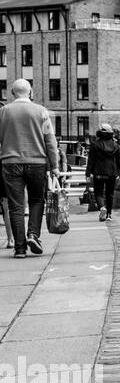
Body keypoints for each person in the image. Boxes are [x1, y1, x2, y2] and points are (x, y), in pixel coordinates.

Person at [0, 78, 59, 258]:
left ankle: (19, 248)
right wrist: (54, 165)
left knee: (15, 206)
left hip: (10, 163)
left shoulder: (3, 112)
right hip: (37, 163)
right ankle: (33, 234)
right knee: (36, 200)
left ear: (12, 92)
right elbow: (50, 141)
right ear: (30, 91)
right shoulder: (41, 111)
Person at [86, 123, 120, 221]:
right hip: (112, 173)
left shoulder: (95, 145)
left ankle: (102, 207)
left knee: (98, 192)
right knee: (110, 194)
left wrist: (88, 173)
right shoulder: (116, 146)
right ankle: (109, 215)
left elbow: (91, 160)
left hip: (98, 173)